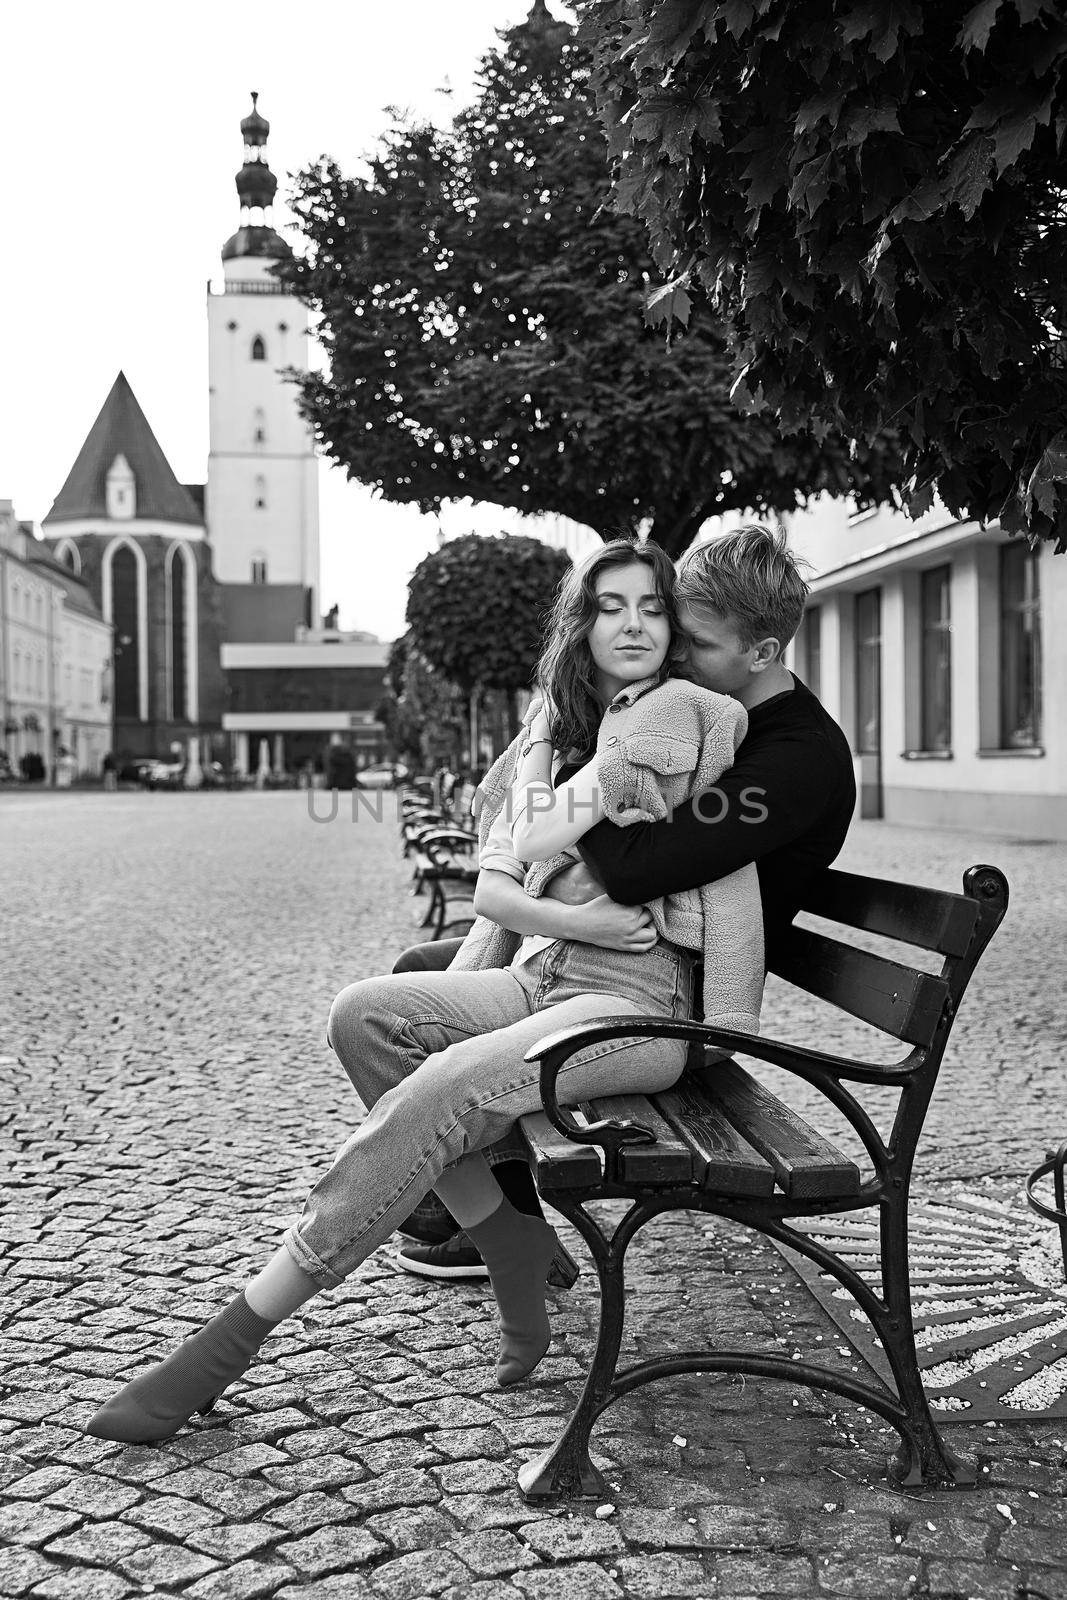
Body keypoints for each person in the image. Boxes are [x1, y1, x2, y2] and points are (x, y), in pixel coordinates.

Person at [86, 537, 764, 1446]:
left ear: (672, 628)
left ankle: (227, 1342)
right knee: (367, 1017)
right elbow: (502, 874)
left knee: (438, 1093)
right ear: (584, 625)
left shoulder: (671, 709)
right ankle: (508, 1239)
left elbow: (527, 835)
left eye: (651, 606)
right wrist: (552, 819)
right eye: (611, 607)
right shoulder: (580, 720)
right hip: (549, 976)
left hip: (638, 1006)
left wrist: (538, 772)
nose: (633, 624)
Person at [394, 523, 857, 1278]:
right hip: (618, 944)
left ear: (763, 653)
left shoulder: (793, 760)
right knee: (419, 968)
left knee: (434, 1011)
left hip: (675, 984)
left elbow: (637, 867)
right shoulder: (698, 708)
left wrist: (590, 765)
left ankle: (471, 1214)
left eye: (697, 644)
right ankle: (480, 1210)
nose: (676, 656)